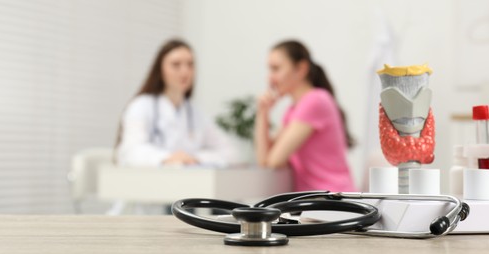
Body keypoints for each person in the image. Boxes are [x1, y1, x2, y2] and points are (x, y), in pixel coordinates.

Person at [254, 40, 356, 192]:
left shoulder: (315, 101)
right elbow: (264, 161)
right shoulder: (293, 110)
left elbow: (274, 161)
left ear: (301, 69)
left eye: (276, 69)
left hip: (334, 201)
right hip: (316, 202)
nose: (270, 78)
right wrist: (263, 112)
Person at [116, 39, 234, 168]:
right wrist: (167, 157)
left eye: (190, 64)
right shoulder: (141, 106)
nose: (185, 72)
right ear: (160, 70)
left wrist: (195, 158)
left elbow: (230, 153)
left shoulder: (196, 113)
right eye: (176, 64)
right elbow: (129, 152)